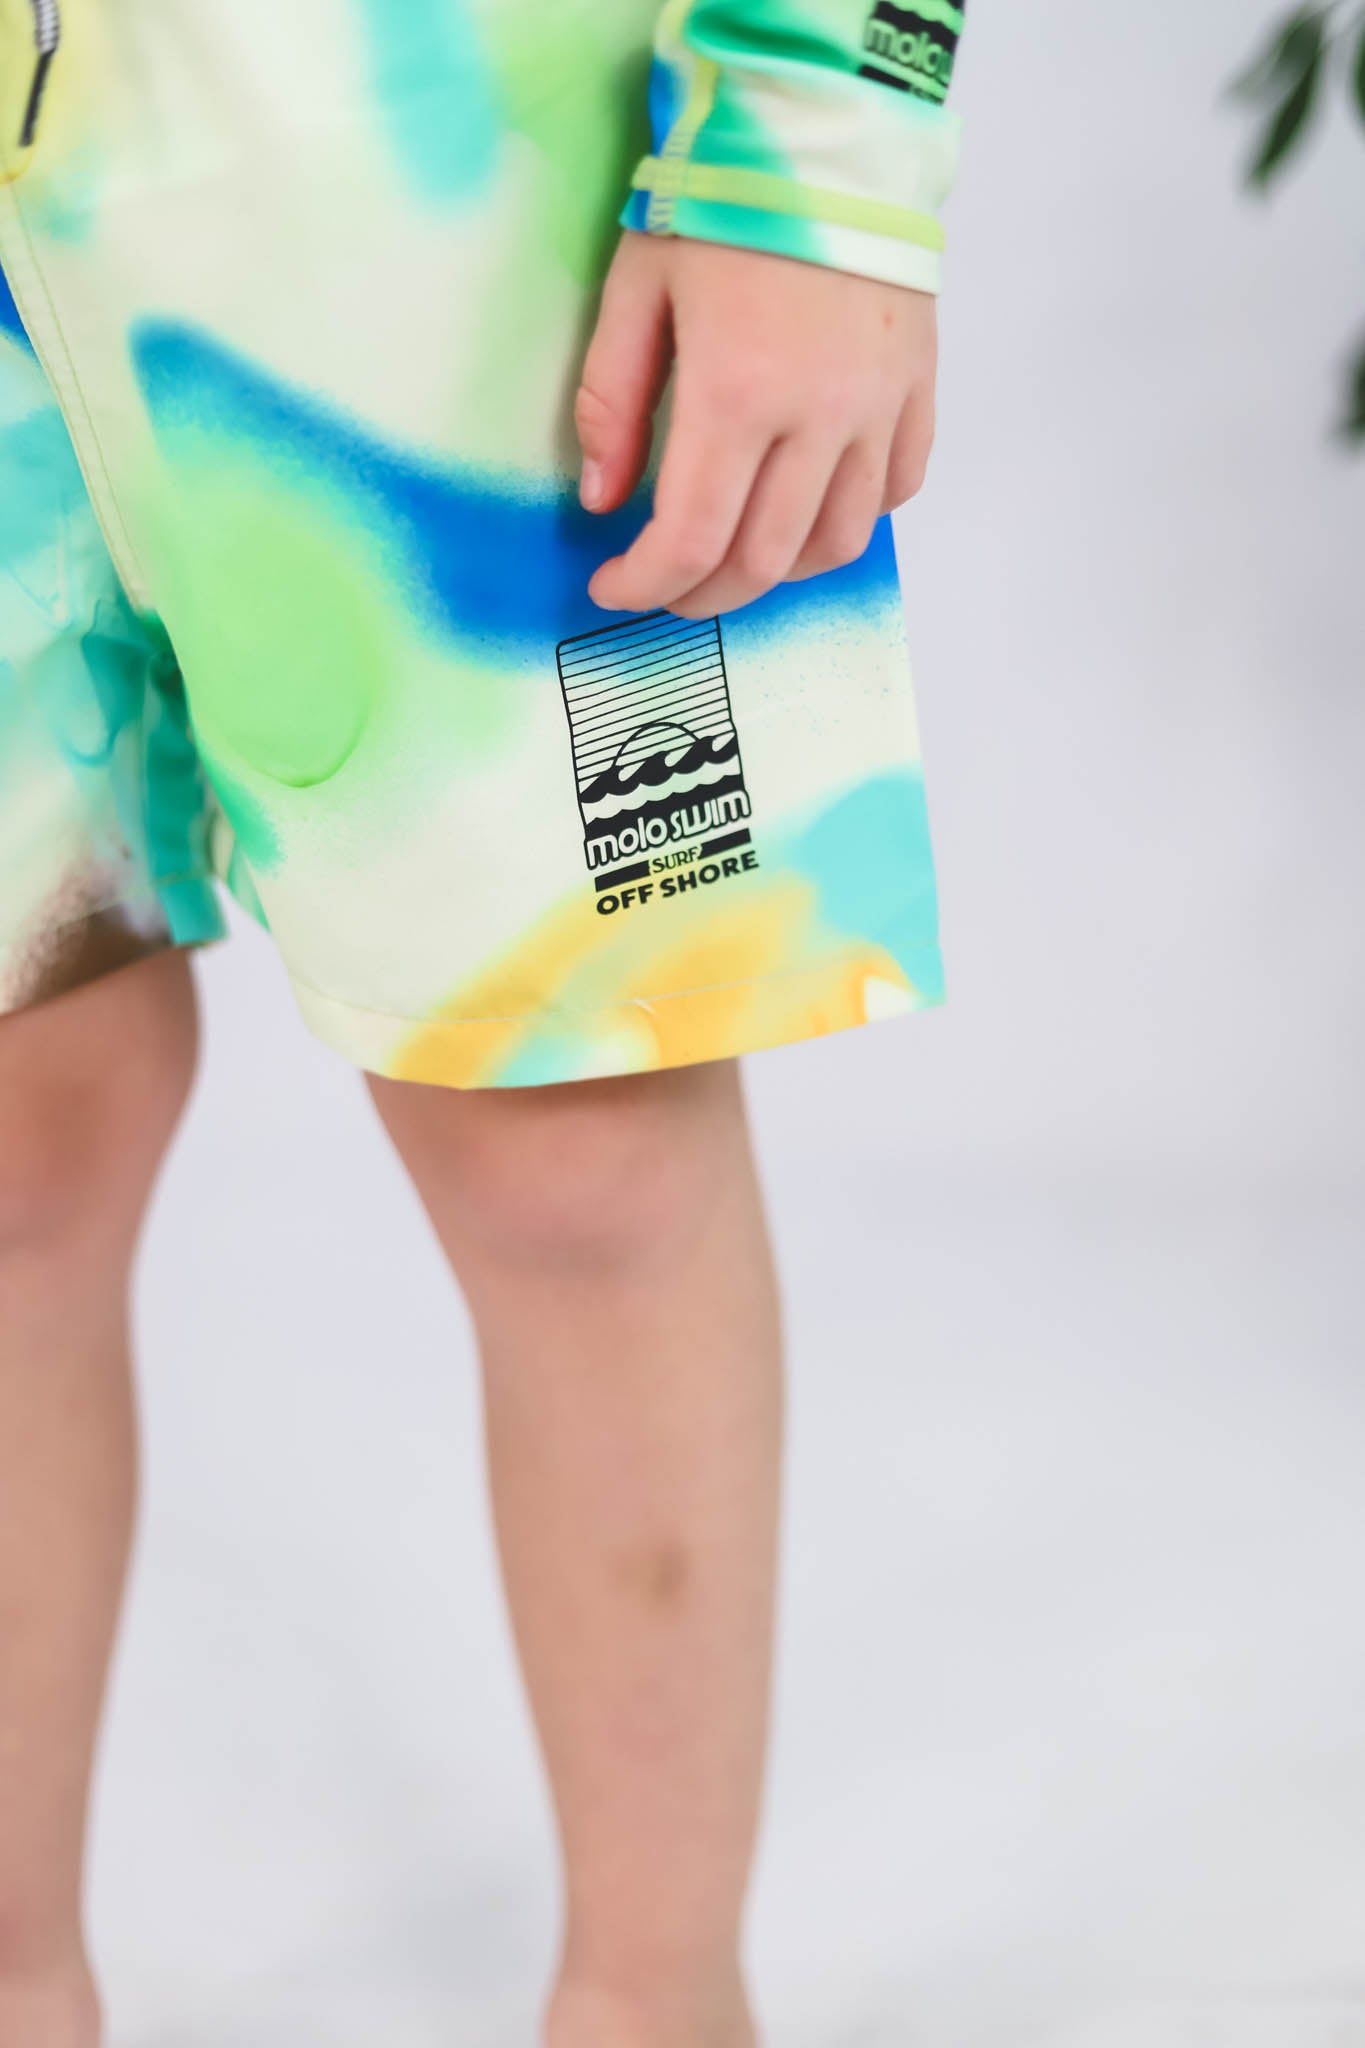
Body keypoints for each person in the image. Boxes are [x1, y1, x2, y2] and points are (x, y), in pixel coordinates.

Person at [0, 1, 965, 2042]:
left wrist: (818, 137)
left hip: (461, 152)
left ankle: (653, 2006)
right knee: (12, 1126)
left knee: (578, 1145)